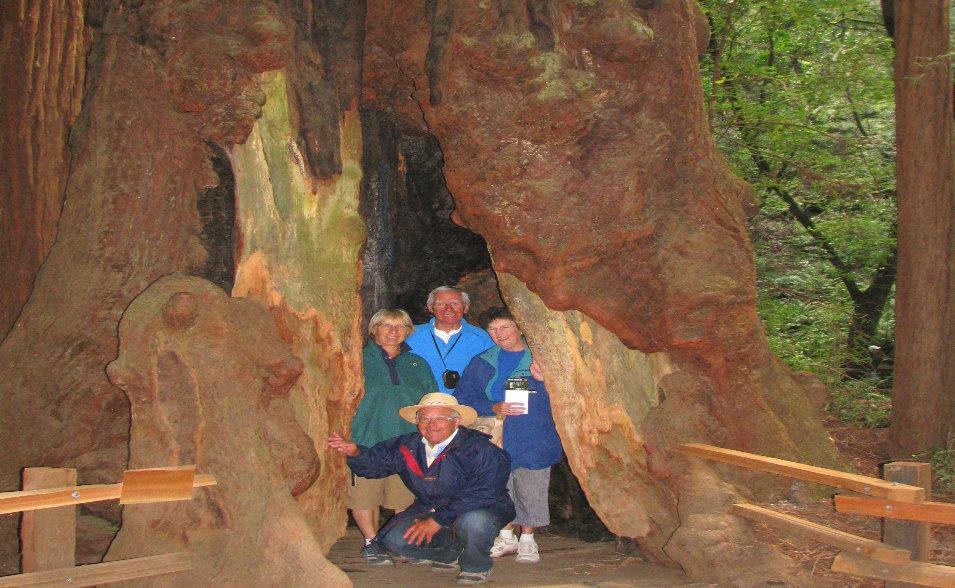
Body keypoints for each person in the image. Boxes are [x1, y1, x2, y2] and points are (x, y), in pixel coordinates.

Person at [328, 393, 515, 586]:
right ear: (417, 421)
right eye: (425, 418)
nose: (431, 424)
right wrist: (355, 452)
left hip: (481, 509)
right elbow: (377, 463)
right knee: (395, 538)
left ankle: (476, 566)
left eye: (440, 418)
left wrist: (438, 519)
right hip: (433, 509)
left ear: (457, 421)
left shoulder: (480, 448)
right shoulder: (408, 446)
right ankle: (449, 555)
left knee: (474, 522)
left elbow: (484, 493)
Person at [453, 307, 562, 565]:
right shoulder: (483, 361)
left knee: (531, 486)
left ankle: (528, 539)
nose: (498, 334)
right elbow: (463, 398)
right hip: (496, 436)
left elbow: (566, 399)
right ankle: (506, 535)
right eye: (492, 329)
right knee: (500, 486)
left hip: (533, 433)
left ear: (520, 328)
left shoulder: (540, 358)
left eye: (505, 327)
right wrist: (493, 406)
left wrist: (545, 381)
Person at [349, 309, 437, 565]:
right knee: (364, 496)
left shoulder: (417, 364)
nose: (393, 331)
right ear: (373, 329)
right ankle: (372, 543)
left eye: (400, 326)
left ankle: (404, 543)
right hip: (366, 440)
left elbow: (431, 401)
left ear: (408, 331)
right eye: (386, 325)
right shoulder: (358, 359)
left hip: (407, 443)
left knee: (405, 498)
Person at [406, 286, 493, 393]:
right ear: (430, 307)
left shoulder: (483, 339)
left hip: (465, 406)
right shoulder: (411, 335)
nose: (448, 309)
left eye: (455, 304)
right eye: (441, 304)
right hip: (421, 404)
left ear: (465, 308)